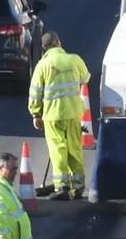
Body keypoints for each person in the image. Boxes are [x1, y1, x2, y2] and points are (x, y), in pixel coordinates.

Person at [28, 31, 91, 200]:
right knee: (74, 149)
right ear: (59, 43)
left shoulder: (43, 65)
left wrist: (36, 114)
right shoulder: (74, 59)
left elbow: (35, 93)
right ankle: (78, 186)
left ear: (44, 48)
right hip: (73, 113)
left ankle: (62, 187)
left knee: (58, 151)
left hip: (52, 116)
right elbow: (85, 79)